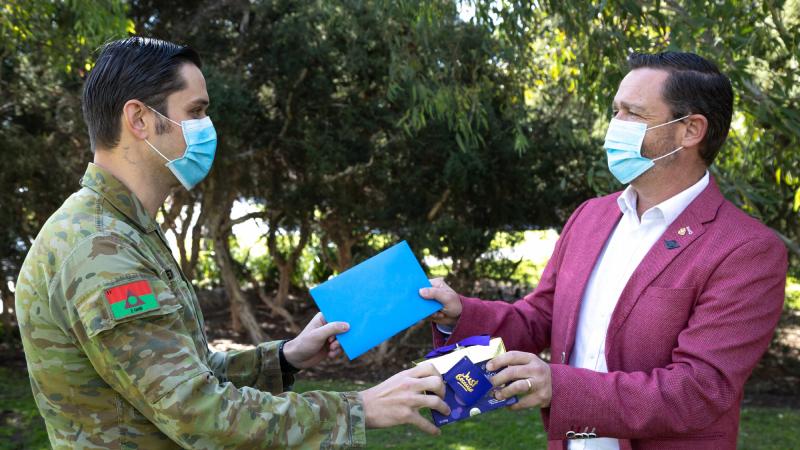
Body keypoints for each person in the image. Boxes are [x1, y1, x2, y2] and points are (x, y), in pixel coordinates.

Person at [15, 37, 449, 449]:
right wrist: (358, 408)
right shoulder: (100, 250)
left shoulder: (122, 231)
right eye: (196, 111)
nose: (207, 128)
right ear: (140, 119)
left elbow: (190, 372)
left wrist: (287, 357)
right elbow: (197, 413)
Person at [421, 51, 788, 449]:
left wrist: (557, 386)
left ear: (690, 130)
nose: (615, 126)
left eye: (633, 113)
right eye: (615, 110)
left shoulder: (745, 249)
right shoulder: (592, 216)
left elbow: (698, 389)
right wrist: (459, 314)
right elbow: (540, 316)